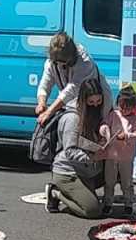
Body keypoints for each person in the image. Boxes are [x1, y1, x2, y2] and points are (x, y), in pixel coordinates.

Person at [45, 77, 107, 218]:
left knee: (118, 169)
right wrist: (92, 157)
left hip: (85, 169)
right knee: (92, 210)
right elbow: (70, 151)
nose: (95, 106)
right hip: (68, 172)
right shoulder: (73, 119)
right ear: (83, 101)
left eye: (98, 102)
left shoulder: (92, 114)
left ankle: (83, 193)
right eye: (91, 102)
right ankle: (56, 192)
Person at [35, 34, 111, 126]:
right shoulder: (52, 61)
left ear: (71, 56)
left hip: (95, 104)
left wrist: (49, 112)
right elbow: (45, 84)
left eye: (63, 62)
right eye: (56, 62)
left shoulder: (84, 62)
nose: (59, 65)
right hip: (72, 105)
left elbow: (71, 90)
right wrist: (41, 103)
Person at [100, 86, 136, 217]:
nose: (123, 110)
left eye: (127, 108)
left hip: (126, 157)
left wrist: (126, 136)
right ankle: (108, 203)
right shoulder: (114, 114)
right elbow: (104, 124)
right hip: (111, 155)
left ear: (133, 107)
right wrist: (104, 129)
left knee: (127, 182)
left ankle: (128, 203)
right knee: (109, 181)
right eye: (121, 106)